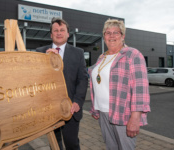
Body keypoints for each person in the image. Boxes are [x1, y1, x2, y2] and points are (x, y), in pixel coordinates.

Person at [88, 19, 150, 150]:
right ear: (104, 36)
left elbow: (140, 88)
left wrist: (135, 118)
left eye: (116, 32)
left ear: (123, 35)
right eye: (108, 32)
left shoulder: (132, 54)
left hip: (123, 114)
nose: (111, 36)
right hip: (103, 112)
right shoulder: (101, 58)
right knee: (111, 147)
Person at [36, 17, 88, 150]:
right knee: (54, 145)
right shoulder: (40, 52)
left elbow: (82, 79)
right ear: (51, 34)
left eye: (62, 30)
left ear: (68, 34)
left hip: (70, 108)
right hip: (49, 110)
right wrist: (44, 61)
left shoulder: (78, 53)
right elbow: (35, 79)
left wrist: (77, 101)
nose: (59, 33)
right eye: (56, 30)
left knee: (72, 144)